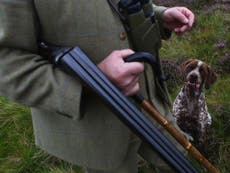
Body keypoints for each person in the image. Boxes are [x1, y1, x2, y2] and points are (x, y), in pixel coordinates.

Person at [0, 1, 194, 173]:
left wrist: (158, 16)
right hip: (97, 127)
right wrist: (92, 82)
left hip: (150, 101)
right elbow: (7, 63)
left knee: (185, 163)